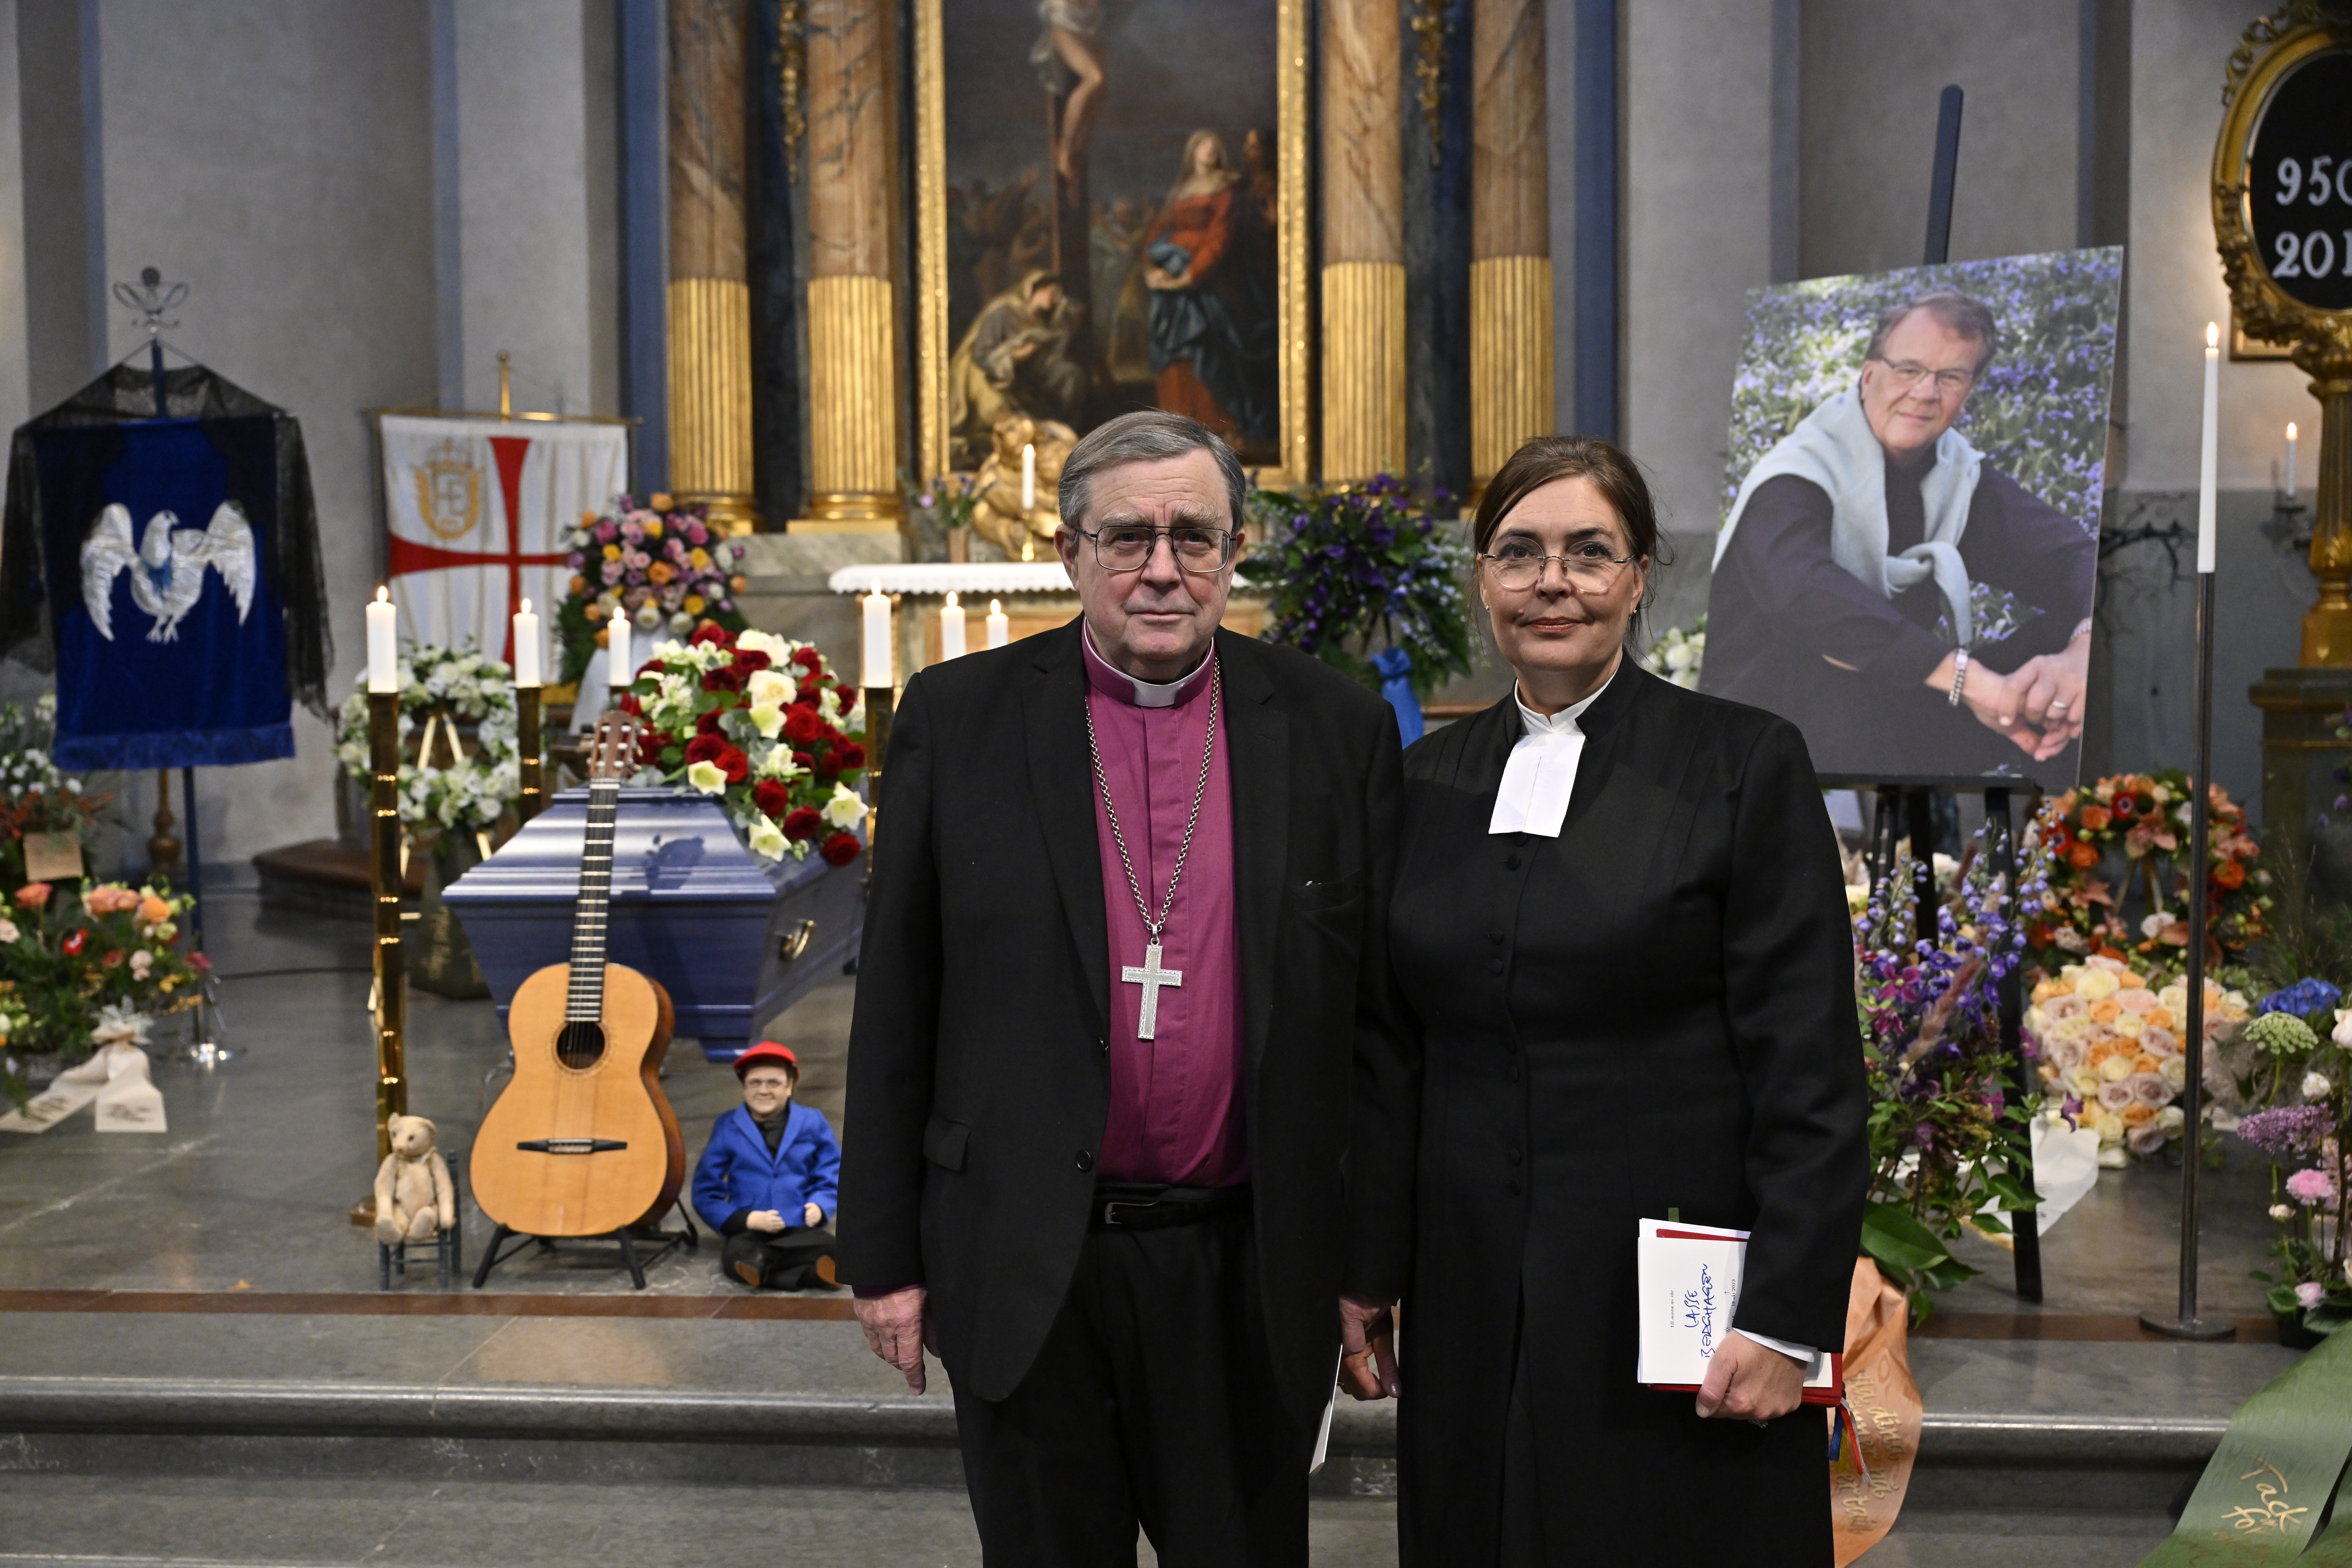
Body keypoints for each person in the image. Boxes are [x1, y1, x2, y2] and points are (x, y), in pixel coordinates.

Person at [838, 409, 1410, 1565]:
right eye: (1127, 536)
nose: (1162, 567)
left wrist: (1371, 1262)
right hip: (1026, 1256)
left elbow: (1379, 1024)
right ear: (1068, 552)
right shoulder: (959, 720)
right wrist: (882, 1258)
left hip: (1247, 1265)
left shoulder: (1334, 725)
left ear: (1236, 549)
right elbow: (898, 996)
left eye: (1194, 535)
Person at [1386, 436, 1867, 1565]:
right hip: (1470, 1294)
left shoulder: (1742, 763)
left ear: (1641, 575)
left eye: (1589, 552)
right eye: (1520, 553)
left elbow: (1809, 1064)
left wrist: (1783, 1315)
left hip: (1671, 1303)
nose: (1553, 581)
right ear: (1483, 580)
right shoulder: (1419, 785)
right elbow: (1391, 1049)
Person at [1702, 290, 2098, 784]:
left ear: (1968, 392)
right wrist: (1975, 685)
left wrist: (2078, 656)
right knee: (1833, 671)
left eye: (1950, 377)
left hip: (1898, 704)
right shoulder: (1797, 475)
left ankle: (2063, 841)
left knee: (2080, 650)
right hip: (1768, 722)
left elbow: (2075, 560)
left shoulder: (1956, 476)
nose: (1926, 393)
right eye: (1908, 369)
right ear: (1870, 376)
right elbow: (1805, 596)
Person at [1143, 131, 1274, 447]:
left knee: (1207, 348)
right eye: (1204, 145)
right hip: (1172, 284)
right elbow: (1157, 234)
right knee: (1175, 354)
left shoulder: (1227, 187)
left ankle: (1216, 429)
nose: (1210, 151)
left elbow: (1220, 237)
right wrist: (1152, 271)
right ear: (1192, 152)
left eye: (1216, 147)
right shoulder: (1180, 191)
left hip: (1210, 282)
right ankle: (1176, 429)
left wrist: (1190, 276)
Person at [692, 1042, 842, 1291]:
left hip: (798, 1222)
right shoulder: (728, 1126)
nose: (764, 1091)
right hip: (751, 1227)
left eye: (774, 1083)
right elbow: (705, 1191)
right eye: (755, 1083)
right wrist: (747, 1219)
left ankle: (764, 1267)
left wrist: (820, 1204)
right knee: (737, 1255)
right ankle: (808, 1274)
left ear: (790, 1086)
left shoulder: (812, 1121)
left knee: (833, 1248)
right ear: (744, 1088)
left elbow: (831, 1170)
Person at [949, 270, 1089, 466]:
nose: (1056, 299)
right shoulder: (1003, 312)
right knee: (1005, 420)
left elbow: (1049, 356)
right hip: (987, 378)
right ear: (1036, 290)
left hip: (1023, 380)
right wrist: (1020, 354)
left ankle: (1068, 426)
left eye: (1059, 294)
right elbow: (982, 355)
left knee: (1070, 374)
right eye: (1052, 292)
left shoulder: (1041, 321)